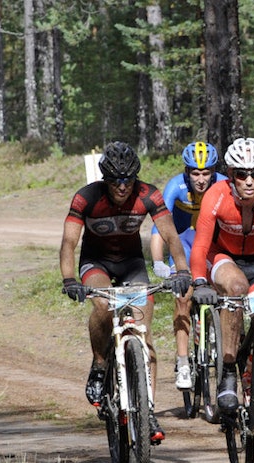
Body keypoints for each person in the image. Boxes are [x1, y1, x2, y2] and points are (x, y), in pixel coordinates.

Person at [58, 140, 192, 443]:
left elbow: (171, 236)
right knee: (103, 307)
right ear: (105, 178)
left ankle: (149, 409)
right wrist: (69, 279)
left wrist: (181, 271)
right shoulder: (86, 197)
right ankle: (100, 364)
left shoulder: (148, 194)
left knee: (144, 336)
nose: (122, 186)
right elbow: (69, 243)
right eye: (116, 180)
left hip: (132, 264)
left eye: (128, 179)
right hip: (96, 263)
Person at [188, 137, 254, 414]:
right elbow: (200, 244)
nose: (248, 180)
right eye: (241, 174)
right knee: (235, 287)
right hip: (222, 257)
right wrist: (199, 280)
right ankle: (228, 374)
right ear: (231, 175)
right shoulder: (217, 194)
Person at [148, 141, 226, 392]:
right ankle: (183, 361)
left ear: (213, 171)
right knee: (183, 297)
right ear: (186, 172)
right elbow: (159, 229)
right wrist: (159, 261)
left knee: (226, 294)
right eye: (195, 173)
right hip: (182, 245)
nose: (201, 179)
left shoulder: (223, 183)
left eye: (206, 173)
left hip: (211, 245)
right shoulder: (175, 186)